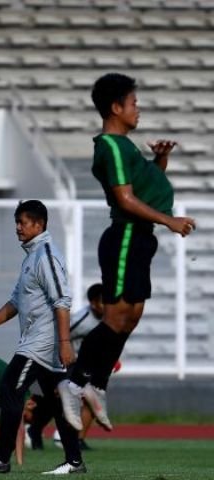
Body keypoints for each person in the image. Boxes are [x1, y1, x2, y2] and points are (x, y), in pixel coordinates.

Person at [58, 73, 196, 432]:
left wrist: (159, 161)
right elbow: (124, 199)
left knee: (131, 315)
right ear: (116, 107)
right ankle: (72, 384)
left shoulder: (125, 146)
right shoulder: (111, 145)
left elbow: (142, 188)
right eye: (134, 103)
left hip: (140, 238)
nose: (139, 110)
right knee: (116, 317)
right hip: (125, 239)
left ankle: (95, 384)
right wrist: (169, 220)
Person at [0, 200, 84, 475]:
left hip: (42, 344)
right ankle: (74, 461)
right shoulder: (31, 256)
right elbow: (16, 301)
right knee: (56, 401)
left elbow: (62, 300)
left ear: (39, 225)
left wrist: (65, 343)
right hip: (41, 343)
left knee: (10, 386)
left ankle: (1, 459)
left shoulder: (46, 255)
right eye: (16, 222)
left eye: (22, 222)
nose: (17, 228)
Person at [27, 283, 108, 450]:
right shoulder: (81, 321)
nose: (107, 306)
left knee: (93, 398)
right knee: (58, 401)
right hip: (68, 364)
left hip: (88, 365)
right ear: (93, 303)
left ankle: (78, 440)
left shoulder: (109, 318)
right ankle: (35, 427)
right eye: (103, 302)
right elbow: (59, 336)